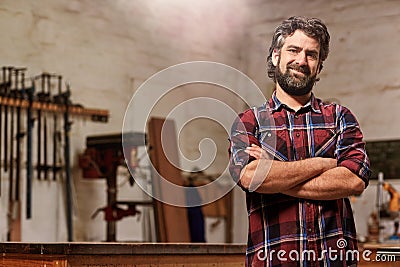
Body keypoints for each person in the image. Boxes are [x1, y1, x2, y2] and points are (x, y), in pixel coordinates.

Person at [229, 16, 371, 266]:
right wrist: (325, 164)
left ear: (319, 67)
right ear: (276, 56)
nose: (301, 61)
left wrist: (274, 173)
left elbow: (355, 180)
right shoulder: (250, 121)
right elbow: (251, 177)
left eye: (312, 54)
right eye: (293, 50)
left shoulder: (340, 118)